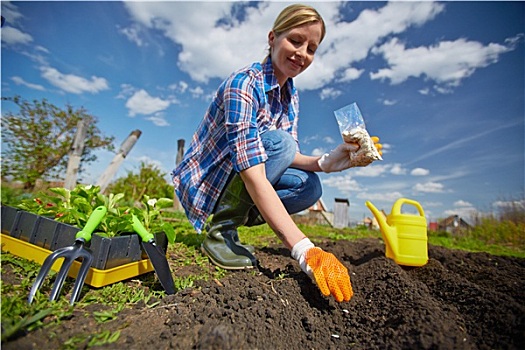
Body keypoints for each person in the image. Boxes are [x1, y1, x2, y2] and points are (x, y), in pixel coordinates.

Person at [172, 4, 382, 303]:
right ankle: (220, 230)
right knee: (280, 142)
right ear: (273, 38)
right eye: (295, 41)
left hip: (244, 175)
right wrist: (303, 248)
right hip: (208, 185)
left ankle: (235, 220)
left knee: (309, 186)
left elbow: (284, 156)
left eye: (311, 48)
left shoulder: (290, 95)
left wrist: (328, 161)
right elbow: (255, 167)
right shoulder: (243, 84)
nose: (302, 53)